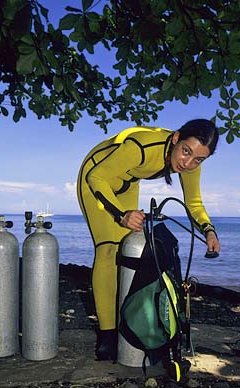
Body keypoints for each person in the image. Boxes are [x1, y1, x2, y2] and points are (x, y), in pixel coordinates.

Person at [77, 119, 221, 361]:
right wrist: (122, 215)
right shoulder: (142, 147)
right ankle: (107, 336)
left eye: (198, 159)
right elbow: (97, 177)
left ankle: (130, 323)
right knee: (108, 251)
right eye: (186, 152)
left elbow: (194, 202)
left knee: (128, 255)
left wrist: (209, 230)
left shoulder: (192, 163)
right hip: (96, 175)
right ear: (176, 138)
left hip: (128, 182)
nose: (188, 163)